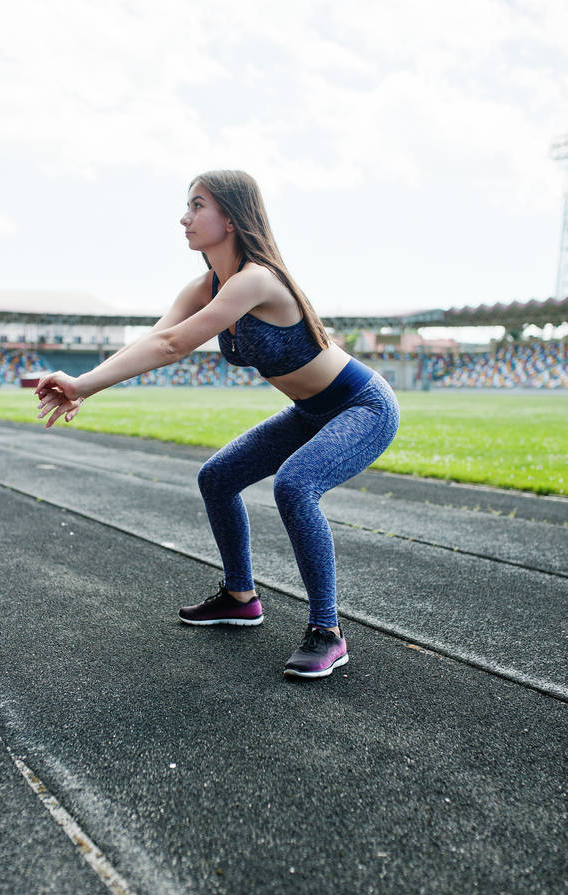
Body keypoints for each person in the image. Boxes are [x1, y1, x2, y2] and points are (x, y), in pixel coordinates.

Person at [35, 170, 400, 679]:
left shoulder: (256, 280)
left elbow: (172, 347)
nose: (184, 217)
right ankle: (240, 597)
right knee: (218, 477)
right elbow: (154, 338)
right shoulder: (206, 285)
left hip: (361, 407)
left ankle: (327, 631)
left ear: (230, 218)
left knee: (295, 486)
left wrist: (83, 386)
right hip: (310, 412)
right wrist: (83, 384)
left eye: (197, 205)